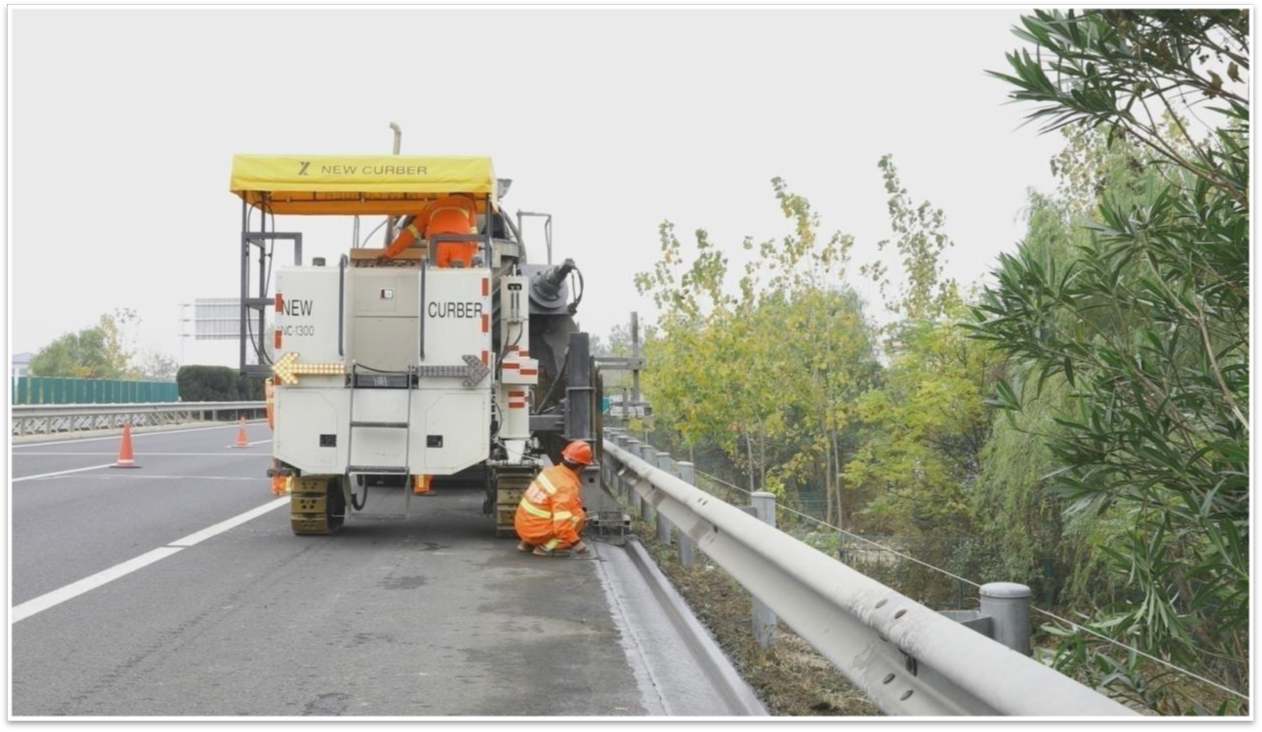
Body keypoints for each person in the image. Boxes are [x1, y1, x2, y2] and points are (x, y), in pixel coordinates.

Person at [514, 440, 592, 556]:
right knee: (578, 515)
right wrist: (577, 544)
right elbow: (562, 525)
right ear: (583, 466)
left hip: (523, 528)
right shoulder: (566, 486)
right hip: (537, 532)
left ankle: (527, 544)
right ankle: (546, 548)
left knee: (548, 509)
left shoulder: (549, 472)